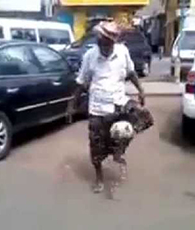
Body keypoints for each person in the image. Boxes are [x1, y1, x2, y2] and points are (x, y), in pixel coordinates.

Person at [69, 21, 149, 193]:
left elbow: (131, 73)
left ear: (112, 41)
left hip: (119, 103)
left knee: (145, 117)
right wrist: (72, 105)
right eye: (99, 38)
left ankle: (119, 148)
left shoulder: (123, 52)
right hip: (97, 109)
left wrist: (141, 90)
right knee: (96, 147)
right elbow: (82, 83)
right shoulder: (90, 56)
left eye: (105, 40)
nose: (101, 42)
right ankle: (99, 178)